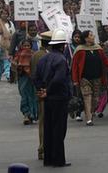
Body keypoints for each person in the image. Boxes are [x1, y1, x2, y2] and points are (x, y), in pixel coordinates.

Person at [33, 28, 71, 167]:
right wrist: (48, 91)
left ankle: (48, 158)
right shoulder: (61, 59)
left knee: (48, 128)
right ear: (62, 45)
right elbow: (59, 79)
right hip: (59, 97)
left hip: (47, 98)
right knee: (59, 129)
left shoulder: (43, 58)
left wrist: (41, 90)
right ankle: (58, 159)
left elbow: (36, 77)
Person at [71, 30, 108, 126]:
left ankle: (91, 113)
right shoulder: (79, 50)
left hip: (97, 78)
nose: (93, 36)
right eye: (91, 35)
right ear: (86, 38)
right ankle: (88, 119)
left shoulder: (98, 49)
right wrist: (75, 80)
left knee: (95, 99)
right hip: (84, 78)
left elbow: (105, 59)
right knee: (87, 97)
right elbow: (75, 66)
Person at [30, 31, 52, 161]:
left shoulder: (36, 55)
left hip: (40, 91)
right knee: (46, 121)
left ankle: (42, 148)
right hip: (47, 91)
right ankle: (44, 148)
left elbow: (33, 75)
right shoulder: (47, 56)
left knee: (42, 122)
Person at [12, 39, 37, 125]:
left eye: (28, 46)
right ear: (21, 46)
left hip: (32, 79)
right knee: (24, 96)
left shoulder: (34, 54)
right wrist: (18, 66)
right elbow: (14, 64)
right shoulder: (18, 55)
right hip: (23, 78)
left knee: (33, 96)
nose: (26, 48)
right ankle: (26, 114)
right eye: (24, 46)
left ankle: (32, 114)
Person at [63, 29, 83, 121]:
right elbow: (64, 58)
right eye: (76, 37)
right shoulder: (69, 47)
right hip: (71, 72)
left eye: (79, 37)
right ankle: (71, 108)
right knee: (72, 92)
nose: (77, 39)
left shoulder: (83, 47)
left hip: (81, 72)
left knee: (80, 93)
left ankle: (79, 112)